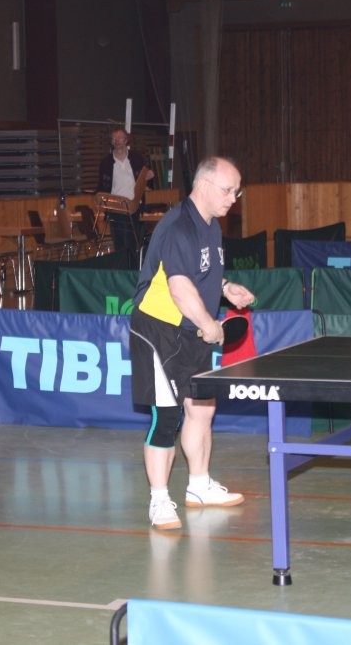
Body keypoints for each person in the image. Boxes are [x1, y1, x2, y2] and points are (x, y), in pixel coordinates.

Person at [129, 156, 256, 531]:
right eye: (228, 190)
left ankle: (199, 487)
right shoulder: (177, 227)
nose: (233, 198)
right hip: (159, 329)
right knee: (166, 416)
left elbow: (201, 272)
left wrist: (225, 287)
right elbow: (180, 287)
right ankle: (159, 500)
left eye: (236, 192)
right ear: (203, 185)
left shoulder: (211, 226)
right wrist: (210, 325)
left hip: (191, 330)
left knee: (201, 409)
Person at [97, 127, 154, 254]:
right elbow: (101, 186)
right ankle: (123, 263)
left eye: (120, 138)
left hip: (135, 206)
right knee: (120, 242)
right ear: (111, 141)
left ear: (126, 140)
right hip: (116, 207)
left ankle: (133, 264)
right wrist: (101, 203)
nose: (117, 141)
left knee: (134, 241)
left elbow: (145, 179)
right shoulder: (106, 163)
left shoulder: (137, 159)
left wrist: (149, 175)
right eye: (114, 138)